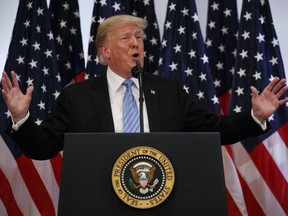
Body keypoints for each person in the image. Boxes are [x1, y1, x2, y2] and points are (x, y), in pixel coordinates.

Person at [1, 14, 288, 160]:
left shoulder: (168, 90)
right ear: (105, 52)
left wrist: (256, 117)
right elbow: (45, 148)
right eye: (126, 38)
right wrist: (20, 119)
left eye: (139, 37)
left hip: (163, 196)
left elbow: (214, 129)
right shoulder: (76, 96)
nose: (136, 42)